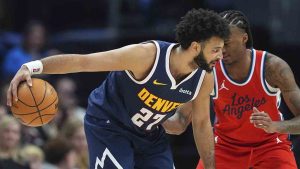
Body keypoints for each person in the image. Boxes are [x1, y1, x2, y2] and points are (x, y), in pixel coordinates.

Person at [7, 8, 230, 169]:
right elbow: (84, 62)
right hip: (109, 124)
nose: (221, 56)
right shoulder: (146, 56)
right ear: (195, 47)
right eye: (216, 50)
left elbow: (200, 124)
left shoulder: (204, 76)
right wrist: (32, 66)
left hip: (149, 135)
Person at [164, 10, 300, 169]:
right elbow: (180, 121)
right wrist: (155, 120)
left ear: (244, 39)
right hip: (225, 147)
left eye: (226, 43)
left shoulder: (273, 67)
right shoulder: (209, 70)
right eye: (218, 44)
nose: (221, 51)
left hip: (270, 146)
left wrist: (275, 126)